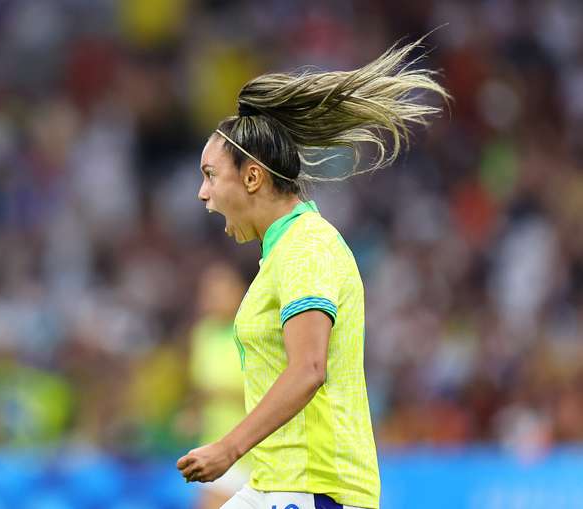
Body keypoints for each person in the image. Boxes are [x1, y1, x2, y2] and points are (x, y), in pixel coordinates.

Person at [176, 38, 449, 509]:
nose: (203, 193)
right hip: (277, 484)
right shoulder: (282, 254)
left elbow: (308, 369)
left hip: (319, 489)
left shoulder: (307, 248)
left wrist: (228, 447)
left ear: (252, 177)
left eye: (210, 175)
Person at [188, 262, 253, 509]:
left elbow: (273, 392)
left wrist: (224, 394)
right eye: (208, 292)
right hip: (215, 446)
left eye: (220, 290)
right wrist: (192, 413)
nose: (212, 298)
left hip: (254, 450)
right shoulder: (203, 334)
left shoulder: (253, 332)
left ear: (241, 290)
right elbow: (199, 389)